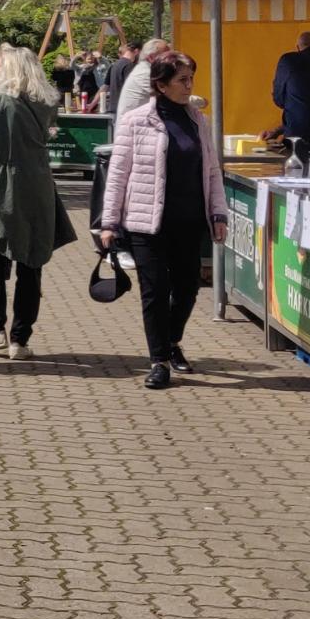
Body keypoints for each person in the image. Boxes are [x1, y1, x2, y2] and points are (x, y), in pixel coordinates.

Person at [97, 52, 225, 389]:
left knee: (187, 288)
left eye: (191, 79)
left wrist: (218, 213)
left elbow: (211, 170)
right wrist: (109, 222)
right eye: (182, 80)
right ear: (161, 84)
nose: (189, 86)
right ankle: (159, 361)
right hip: (146, 222)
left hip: (189, 220)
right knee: (154, 291)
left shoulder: (198, 120)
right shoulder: (137, 121)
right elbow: (118, 174)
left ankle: (171, 341)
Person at [0, 46, 75, 360]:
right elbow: (48, 134)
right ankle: (20, 340)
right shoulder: (48, 102)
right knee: (31, 264)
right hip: (37, 186)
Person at [115, 38, 173, 122]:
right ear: (151, 57)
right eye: (165, 56)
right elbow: (170, 98)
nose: (169, 60)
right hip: (133, 130)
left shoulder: (144, 70)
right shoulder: (145, 74)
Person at [100, 42, 139, 118]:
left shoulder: (114, 65)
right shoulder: (130, 66)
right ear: (137, 51)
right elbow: (133, 89)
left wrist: (92, 104)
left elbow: (104, 87)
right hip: (125, 109)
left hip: (113, 107)